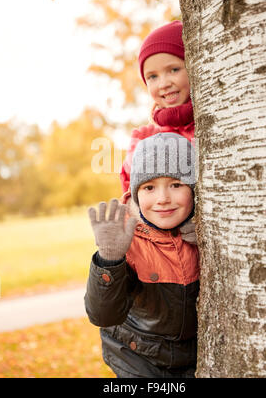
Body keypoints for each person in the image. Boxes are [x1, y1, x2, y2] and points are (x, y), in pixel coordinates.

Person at [85, 132, 200, 378]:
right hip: (136, 356)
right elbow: (102, 315)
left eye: (176, 184)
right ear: (136, 193)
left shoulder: (205, 236)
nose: (163, 199)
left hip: (191, 357)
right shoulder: (128, 238)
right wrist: (109, 259)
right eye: (149, 187)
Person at [120, 20, 194, 195]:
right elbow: (134, 199)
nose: (163, 83)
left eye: (174, 70)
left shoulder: (217, 120)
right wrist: (135, 161)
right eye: (152, 76)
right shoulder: (150, 137)